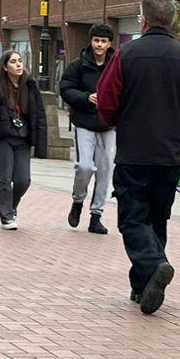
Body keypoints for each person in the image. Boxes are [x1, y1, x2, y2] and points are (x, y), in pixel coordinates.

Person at [95, 0, 180, 314]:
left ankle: (155, 263)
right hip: (170, 153)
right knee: (157, 218)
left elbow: (106, 100)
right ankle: (142, 286)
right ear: (172, 21)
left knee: (133, 218)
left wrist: (120, 122)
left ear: (142, 20)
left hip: (134, 150)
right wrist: (176, 123)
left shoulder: (127, 55)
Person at [0, 50, 47, 229]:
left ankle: (11, 207)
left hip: (23, 139)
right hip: (2, 138)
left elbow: (40, 114)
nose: (19, 65)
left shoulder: (30, 86)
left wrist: (41, 142)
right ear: (5, 67)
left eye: (20, 61)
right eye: (13, 62)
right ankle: (6, 217)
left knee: (23, 180)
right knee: (4, 179)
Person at [60, 23, 118, 233]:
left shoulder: (117, 65)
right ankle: (77, 202)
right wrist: (86, 97)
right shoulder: (79, 64)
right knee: (85, 166)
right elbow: (65, 88)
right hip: (84, 122)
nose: (99, 45)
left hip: (108, 125)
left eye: (103, 41)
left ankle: (96, 215)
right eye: (96, 40)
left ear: (109, 43)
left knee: (105, 171)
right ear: (91, 41)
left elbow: (125, 90)